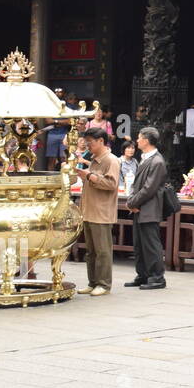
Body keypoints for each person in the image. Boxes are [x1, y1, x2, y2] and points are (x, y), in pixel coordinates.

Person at [78, 127, 120, 297]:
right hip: (89, 210)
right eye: (86, 143)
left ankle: (104, 284)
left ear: (101, 141)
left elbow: (111, 184)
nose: (88, 146)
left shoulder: (111, 160)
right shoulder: (94, 159)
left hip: (102, 213)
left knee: (103, 251)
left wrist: (90, 177)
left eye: (91, 143)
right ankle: (93, 282)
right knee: (91, 251)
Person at [125, 127, 168, 290]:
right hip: (140, 207)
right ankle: (143, 274)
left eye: (139, 138)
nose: (137, 141)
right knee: (139, 244)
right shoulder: (145, 158)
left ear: (147, 141)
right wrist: (133, 202)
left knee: (151, 244)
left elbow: (149, 188)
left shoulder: (157, 161)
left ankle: (157, 277)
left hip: (149, 208)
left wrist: (132, 202)